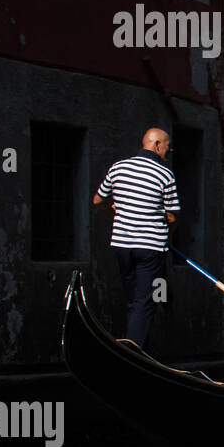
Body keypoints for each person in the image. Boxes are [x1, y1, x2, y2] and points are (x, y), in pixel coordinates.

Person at [92, 128, 180, 349]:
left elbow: (97, 201)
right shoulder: (165, 174)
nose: (168, 152)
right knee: (144, 301)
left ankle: (138, 347)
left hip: (122, 245)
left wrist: (118, 210)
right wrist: (168, 240)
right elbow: (171, 216)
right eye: (167, 148)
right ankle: (134, 353)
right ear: (157, 145)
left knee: (134, 299)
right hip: (150, 247)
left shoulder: (118, 167)